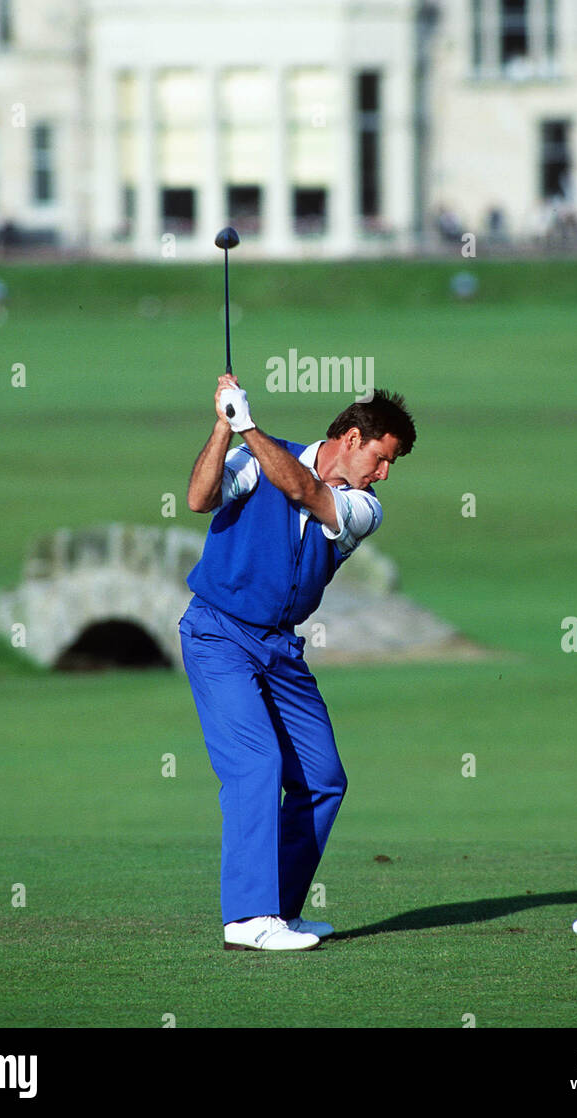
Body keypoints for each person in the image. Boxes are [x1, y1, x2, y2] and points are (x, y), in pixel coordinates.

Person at [179, 376, 416, 951]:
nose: (384, 474)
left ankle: (278, 913)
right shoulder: (258, 456)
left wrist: (248, 426)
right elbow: (199, 498)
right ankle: (247, 918)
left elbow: (306, 494)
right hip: (218, 634)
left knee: (322, 778)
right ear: (353, 437)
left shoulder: (363, 509)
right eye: (382, 459)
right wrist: (223, 425)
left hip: (279, 647)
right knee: (256, 764)